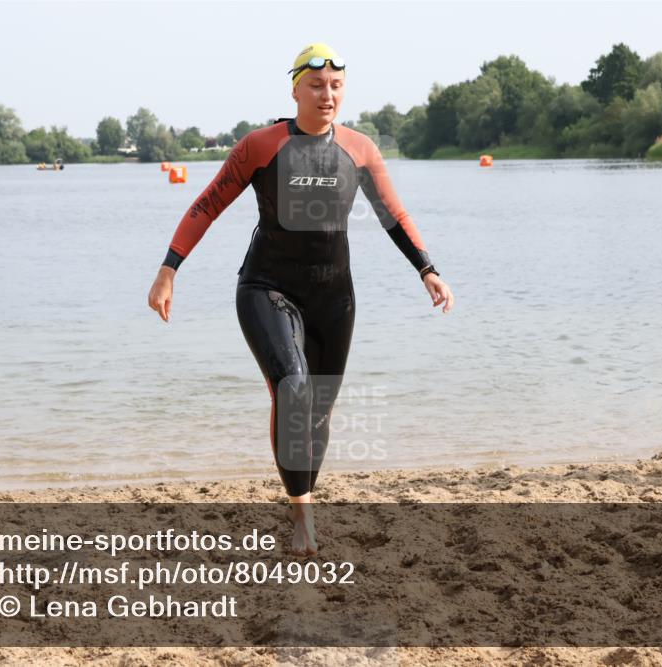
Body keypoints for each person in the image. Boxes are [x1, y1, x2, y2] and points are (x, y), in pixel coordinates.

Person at [147, 42, 455, 554]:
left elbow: (393, 215)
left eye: (335, 85)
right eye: (316, 84)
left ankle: (303, 499)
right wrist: (168, 269)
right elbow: (207, 204)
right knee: (292, 391)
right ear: (295, 89)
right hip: (267, 287)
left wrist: (427, 268)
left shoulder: (359, 149)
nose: (327, 93)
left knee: (318, 413)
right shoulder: (261, 146)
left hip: (334, 297)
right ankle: (302, 522)